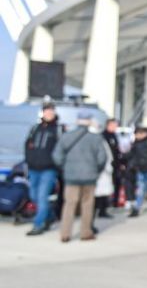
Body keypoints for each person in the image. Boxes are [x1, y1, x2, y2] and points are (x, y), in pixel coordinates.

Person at [53, 110, 107, 242]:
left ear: (77, 121)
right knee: (87, 204)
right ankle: (85, 232)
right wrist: (96, 170)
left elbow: (57, 156)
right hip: (90, 176)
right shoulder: (95, 138)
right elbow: (102, 158)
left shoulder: (66, 136)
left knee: (69, 204)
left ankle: (65, 234)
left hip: (71, 176)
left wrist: (65, 168)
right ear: (89, 121)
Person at [23, 102, 60, 236]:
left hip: (49, 169)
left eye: (51, 111)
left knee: (42, 196)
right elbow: (27, 145)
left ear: (54, 113)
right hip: (34, 168)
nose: (48, 114)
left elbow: (61, 149)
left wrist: (56, 163)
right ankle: (49, 216)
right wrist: (29, 160)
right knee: (33, 195)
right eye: (46, 111)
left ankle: (38, 224)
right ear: (43, 113)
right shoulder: (35, 128)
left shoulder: (58, 130)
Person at [102, 118, 123, 210]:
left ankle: (115, 203)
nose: (115, 127)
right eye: (113, 125)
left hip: (116, 164)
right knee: (105, 185)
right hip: (106, 165)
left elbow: (117, 150)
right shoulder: (103, 136)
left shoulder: (115, 136)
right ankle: (104, 206)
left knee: (117, 183)